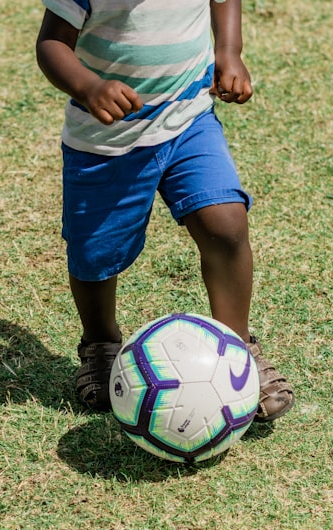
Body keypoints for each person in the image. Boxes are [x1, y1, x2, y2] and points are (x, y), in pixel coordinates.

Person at [36, 0, 294, 421]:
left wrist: (229, 51)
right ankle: (100, 344)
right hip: (106, 142)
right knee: (95, 254)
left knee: (226, 224)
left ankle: (237, 353)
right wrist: (88, 87)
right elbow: (51, 44)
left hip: (188, 120)